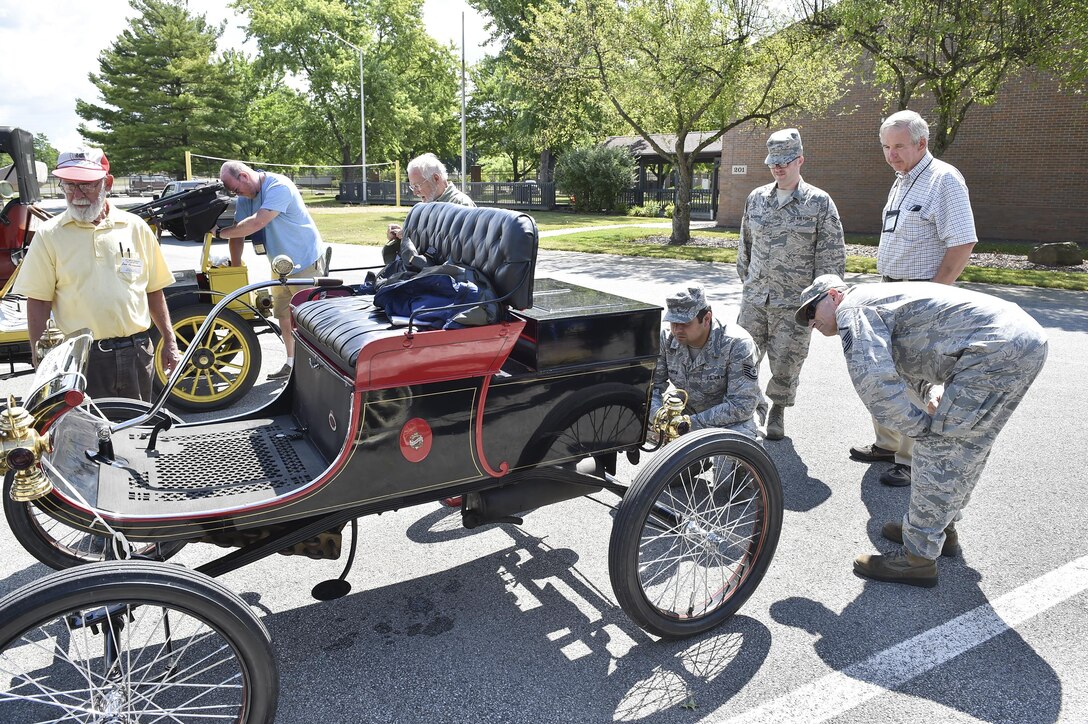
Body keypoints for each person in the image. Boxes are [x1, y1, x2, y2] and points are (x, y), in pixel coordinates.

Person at [797, 274, 1046, 586]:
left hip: (993, 350)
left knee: (939, 448)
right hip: (1019, 341)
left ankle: (918, 557)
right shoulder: (879, 301)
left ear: (833, 295)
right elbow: (909, 373)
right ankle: (938, 529)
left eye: (811, 311)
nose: (810, 324)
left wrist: (921, 430)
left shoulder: (853, 309)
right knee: (969, 445)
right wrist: (930, 402)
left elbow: (874, 382)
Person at [853, 110, 978, 487]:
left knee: (916, 377)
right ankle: (887, 444)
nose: (891, 154)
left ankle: (910, 460)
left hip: (921, 294)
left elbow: (963, 241)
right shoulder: (902, 180)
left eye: (899, 146)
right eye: (886, 147)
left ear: (922, 143)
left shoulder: (943, 180)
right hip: (889, 291)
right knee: (884, 370)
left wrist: (934, 294)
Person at [15, 146, 180, 399]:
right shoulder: (49, 235)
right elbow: (37, 301)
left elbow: (153, 290)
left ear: (108, 183)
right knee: (82, 436)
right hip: (78, 360)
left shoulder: (135, 227)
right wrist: (42, 361)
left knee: (136, 433)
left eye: (87, 185)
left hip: (136, 353)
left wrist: (170, 341)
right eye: (69, 185)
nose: (77, 194)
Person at [737, 128, 845, 441]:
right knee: (742, 356)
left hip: (794, 304)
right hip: (756, 299)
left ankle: (777, 409)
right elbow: (745, 246)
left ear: (800, 160)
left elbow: (831, 258)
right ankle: (746, 408)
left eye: (785, 162)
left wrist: (820, 305)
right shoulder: (756, 199)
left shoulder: (819, 203)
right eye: (773, 162)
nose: (778, 168)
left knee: (787, 362)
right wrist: (749, 283)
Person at [217, 161, 328, 380]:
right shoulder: (246, 197)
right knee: (284, 316)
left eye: (236, 189)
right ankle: (292, 363)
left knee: (309, 319)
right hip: (280, 266)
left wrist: (219, 232)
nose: (237, 194)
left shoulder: (279, 186)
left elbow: (256, 223)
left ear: (243, 176)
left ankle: (319, 370)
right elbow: (238, 233)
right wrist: (236, 269)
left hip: (305, 260)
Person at [650, 285, 764, 440]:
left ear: (706, 319)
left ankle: (745, 463)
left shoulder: (737, 344)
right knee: (642, 427)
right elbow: (652, 387)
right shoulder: (667, 339)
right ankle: (692, 463)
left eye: (684, 323)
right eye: (673, 322)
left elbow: (742, 405)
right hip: (688, 408)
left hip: (730, 414)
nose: (676, 330)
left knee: (743, 440)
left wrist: (687, 425)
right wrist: (661, 418)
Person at [386, 152, 475, 244]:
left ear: (436, 178)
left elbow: (463, 247)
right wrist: (400, 235)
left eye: (417, 185)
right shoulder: (427, 205)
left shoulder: (461, 205)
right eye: (412, 187)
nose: (415, 192)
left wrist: (413, 236)